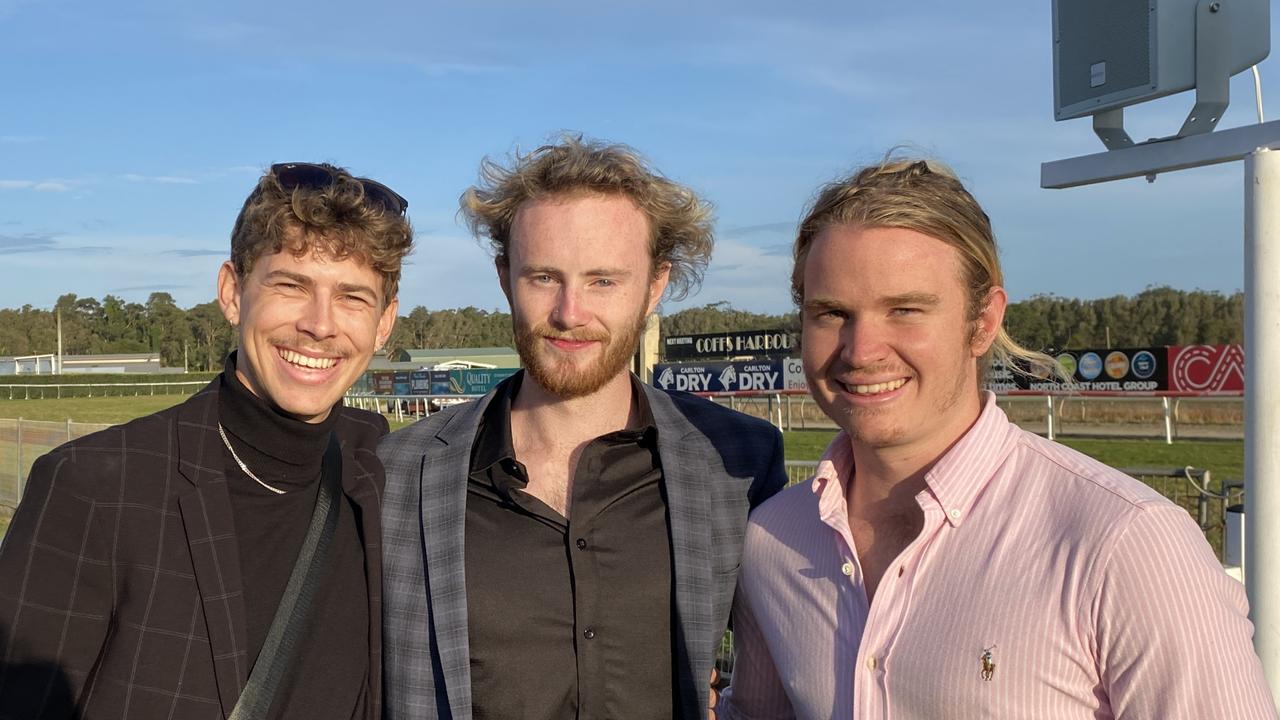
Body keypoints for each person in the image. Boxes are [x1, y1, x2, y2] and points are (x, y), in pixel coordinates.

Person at [716, 158, 1278, 718]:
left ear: (982, 322)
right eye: (832, 313)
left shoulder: (1128, 544)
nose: (862, 351)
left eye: (905, 310)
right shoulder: (773, 537)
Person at [380, 137, 788, 720]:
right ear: (504, 278)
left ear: (655, 285)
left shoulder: (740, 464)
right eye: (544, 277)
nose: (571, 312)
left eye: (603, 280)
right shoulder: (400, 472)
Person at [0, 162, 413, 719]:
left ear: (384, 324)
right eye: (292, 285)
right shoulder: (96, 487)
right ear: (233, 292)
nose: (320, 324)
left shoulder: (384, 474)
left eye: (353, 298)